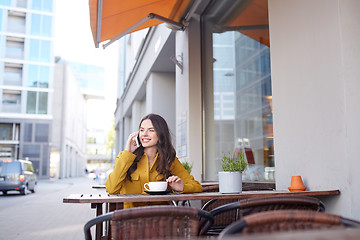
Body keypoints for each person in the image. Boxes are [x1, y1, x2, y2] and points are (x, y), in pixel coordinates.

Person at [106, 113, 202, 208]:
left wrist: (181, 187)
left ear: (160, 134)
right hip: (131, 218)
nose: (144, 134)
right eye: (142, 130)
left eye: (151, 130)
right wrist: (127, 152)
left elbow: (197, 186)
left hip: (160, 218)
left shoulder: (169, 159)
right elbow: (111, 188)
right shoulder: (126, 158)